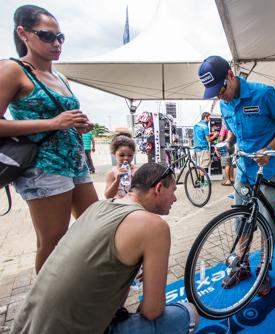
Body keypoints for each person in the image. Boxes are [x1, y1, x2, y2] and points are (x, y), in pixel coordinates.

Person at [10, 163, 199, 334]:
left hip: (24, 325)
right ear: (158, 188)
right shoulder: (154, 226)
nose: (175, 198)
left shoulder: (98, 206)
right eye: (173, 190)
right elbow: (152, 311)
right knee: (189, 313)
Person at [0, 5, 98, 273]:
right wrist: (54, 123)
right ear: (24, 34)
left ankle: (83, 290)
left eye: (60, 37)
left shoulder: (59, 76)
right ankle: (45, 309)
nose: (56, 43)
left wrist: (78, 126)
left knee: (96, 228)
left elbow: (63, 119)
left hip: (75, 163)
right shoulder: (13, 69)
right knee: (52, 242)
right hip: (43, 168)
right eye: (47, 36)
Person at [198, 55, 275, 296]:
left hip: (269, 169)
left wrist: (270, 148)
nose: (220, 97)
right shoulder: (224, 103)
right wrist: (227, 143)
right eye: (214, 94)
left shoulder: (264, 94)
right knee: (242, 220)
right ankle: (241, 265)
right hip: (244, 169)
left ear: (231, 75)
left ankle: (264, 269)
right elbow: (232, 131)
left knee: (267, 222)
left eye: (220, 89)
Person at [105, 133, 138, 199]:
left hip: (134, 204)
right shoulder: (112, 173)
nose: (126, 158)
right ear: (114, 154)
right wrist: (117, 181)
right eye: (122, 155)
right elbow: (108, 196)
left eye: (130, 155)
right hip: (119, 205)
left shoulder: (137, 170)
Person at [217, 120, 234, 185]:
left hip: (224, 147)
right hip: (232, 146)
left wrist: (217, 140)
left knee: (227, 164)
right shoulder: (231, 125)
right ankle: (232, 178)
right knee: (231, 164)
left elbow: (221, 139)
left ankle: (228, 180)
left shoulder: (224, 127)